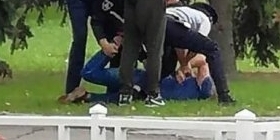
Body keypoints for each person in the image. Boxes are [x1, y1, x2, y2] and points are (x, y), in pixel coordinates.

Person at [60, 48, 214, 104]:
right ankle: (111, 48)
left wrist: (185, 68)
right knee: (91, 75)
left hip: (141, 91)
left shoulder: (203, 91)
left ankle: (84, 96)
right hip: (140, 81)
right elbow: (203, 62)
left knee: (115, 98)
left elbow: (203, 63)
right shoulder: (202, 89)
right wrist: (185, 67)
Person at [162, 3, 236, 105]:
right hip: (170, 23)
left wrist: (184, 63)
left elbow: (179, 43)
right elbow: (197, 46)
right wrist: (185, 64)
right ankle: (224, 95)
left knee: (167, 68)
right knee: (213, 49)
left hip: (159, 22)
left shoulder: (183, 12)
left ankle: (147, 91)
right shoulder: (204, 19)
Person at [63, 0, 123, 95]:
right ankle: (71, 89)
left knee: (116, 43)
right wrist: (104, 44)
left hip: (102, 3)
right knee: (80, 38)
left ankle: (113, 90)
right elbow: (97, 20)